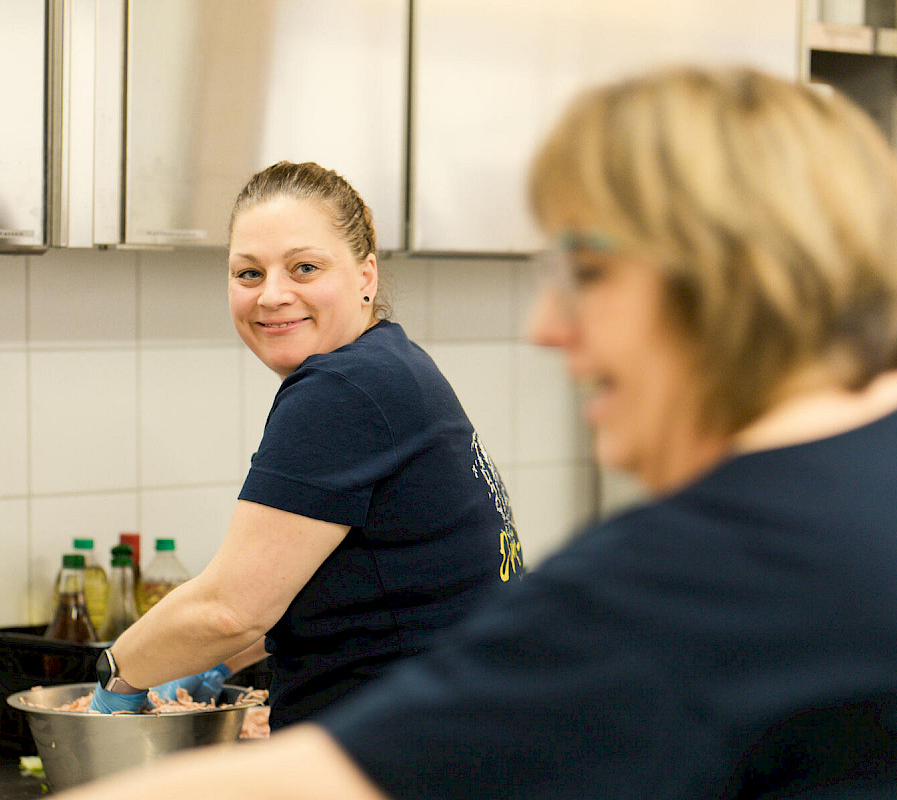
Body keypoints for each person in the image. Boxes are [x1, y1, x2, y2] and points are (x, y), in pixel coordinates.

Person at [58, 64, 897, 799]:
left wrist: (116, 681)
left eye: (588, 273)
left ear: (731, 281)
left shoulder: (696, 574)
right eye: (248, 272)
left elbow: (324, 745)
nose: (545, 328)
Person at [87, 161, 522, 731]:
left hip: (411, 748)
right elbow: (330, 588)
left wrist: (116, 675)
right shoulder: (391, 365)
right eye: (248, 273)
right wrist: (214, 661)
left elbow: (228, 610)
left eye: (305, 268)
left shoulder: (341, 389)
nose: (272, 295)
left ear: (366, 276)